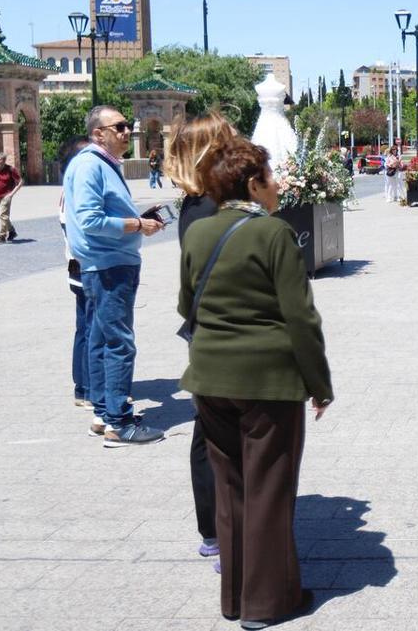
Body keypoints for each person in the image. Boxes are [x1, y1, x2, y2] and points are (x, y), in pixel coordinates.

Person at [180, 135, 333, 629]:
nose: (277, 185)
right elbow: (301, 318)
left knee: (232, 490)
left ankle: (235, 598)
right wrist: (319, 383)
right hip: (266, 380)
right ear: (253, 184)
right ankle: (267, 604)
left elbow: (187, 305)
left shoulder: (199, 232)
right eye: (270, 177)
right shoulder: (274, 234)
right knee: (270, 487)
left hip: (208, 377)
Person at [63, 105, 166, 447]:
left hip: (104, 264)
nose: (126, 131)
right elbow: (91, 221)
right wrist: (138, 224)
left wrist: (136, 218)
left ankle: (103, 413)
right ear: (98, 133)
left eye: (128, 125)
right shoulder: (92, 164)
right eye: (119, 126)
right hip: (109, 266)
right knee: (119, 343)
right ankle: (119, 424)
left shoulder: (96, 164)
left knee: (100, 339)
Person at [164, 111, 237, 572]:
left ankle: (214, 530)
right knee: (218, 433)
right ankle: (222, 532)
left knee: (208, 429)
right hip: (222, 332)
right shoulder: (210, 210)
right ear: (212, 151)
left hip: (208, 331)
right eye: (228, 141)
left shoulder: (198, 204)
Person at [59, 136, 93, 409]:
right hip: (85, 265)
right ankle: (88, 386)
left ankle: (83, 386)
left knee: (84, 326)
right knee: (91, 328)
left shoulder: (69, 187)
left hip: (77, 265)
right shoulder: (76, 189)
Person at [0, 151, 22, 244]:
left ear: (4, 160)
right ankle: (12, 231)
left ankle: (1, 236)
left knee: (3, 215)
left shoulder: (10, 169)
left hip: (6, 196)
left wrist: (11, 194)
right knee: (2, 217)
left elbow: (20, 182)